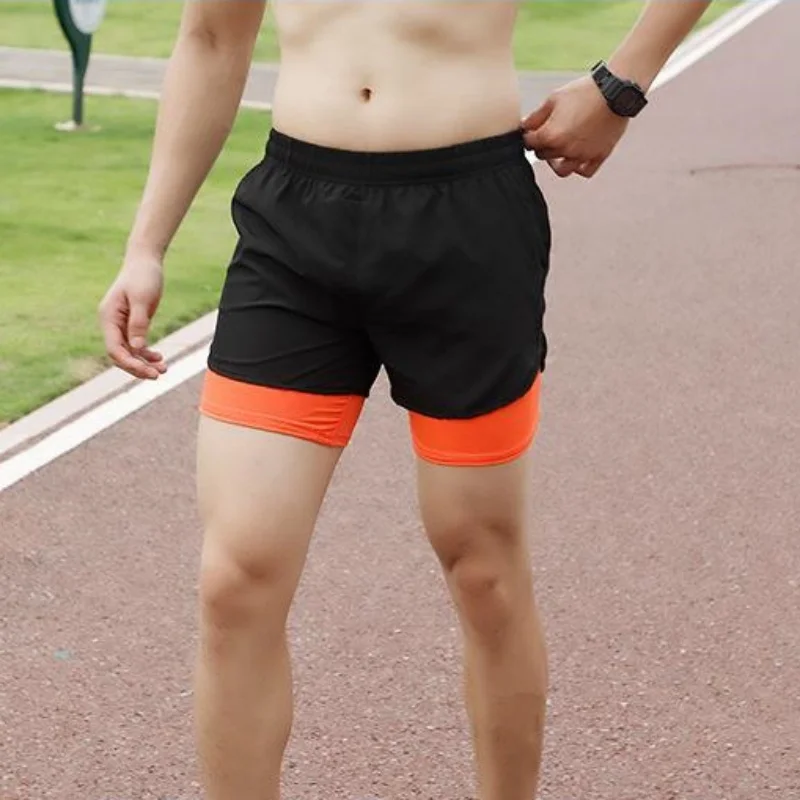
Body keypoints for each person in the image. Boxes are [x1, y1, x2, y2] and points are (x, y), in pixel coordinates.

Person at [98, 1, 713, 797]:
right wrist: (145, 246)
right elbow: (213, 37)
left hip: (466, 222)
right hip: (295, 228)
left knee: (483, 570)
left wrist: (621, 86)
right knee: (236, 578)